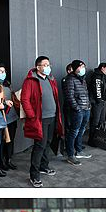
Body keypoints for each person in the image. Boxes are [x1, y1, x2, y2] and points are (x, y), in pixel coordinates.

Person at [20, 55, 64, 189]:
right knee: (39, 145)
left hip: (52, 116)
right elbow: (25, 99)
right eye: (45, 65)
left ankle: (44, 166)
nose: (48, 67)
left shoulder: (50, 79)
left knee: (48, 142)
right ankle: (34, 175)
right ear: (38, 67)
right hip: (40, 119)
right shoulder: (30, 80)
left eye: (49, 65)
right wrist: (32, 116)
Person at [63, 59, 92, 164]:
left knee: (81, 130)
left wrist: (88, 106)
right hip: (77, 111)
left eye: (84, 66)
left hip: (86, 109)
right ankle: (70, 155)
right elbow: (69, 96)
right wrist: (77, 108)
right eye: (81, 66)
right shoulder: (70, 79)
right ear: (75, 68)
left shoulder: (82, 79)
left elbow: (86, 94)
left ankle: (79, 151)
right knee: (73, 132)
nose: (83, 68)